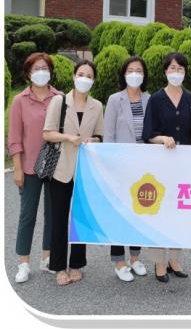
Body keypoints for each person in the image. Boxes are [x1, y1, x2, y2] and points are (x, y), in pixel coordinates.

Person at [42, 60, 104, 286]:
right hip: (61, 169)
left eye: (89, 76)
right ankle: (59, 267)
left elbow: (101, 136)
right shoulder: (59, 101)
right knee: (58, 219)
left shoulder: (97, 106)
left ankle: (77, 264)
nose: (84, 79)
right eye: (81, 74)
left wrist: (93, 139)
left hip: (85, 171)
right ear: (73, 76)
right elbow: (47, 133)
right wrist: (68, 137)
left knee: (80, 219)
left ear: (93, 81)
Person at [8, 53, 61, 283]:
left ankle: (46, 257)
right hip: (29, 167)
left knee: (53, 214)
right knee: (27, 215)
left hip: (55, 166)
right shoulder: (20, 100)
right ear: (28, 73)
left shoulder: (59, 98)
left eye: (45, 68)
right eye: (36, 68)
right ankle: (23, 262)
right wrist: (17, 168)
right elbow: (14, 138)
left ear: (50, 72)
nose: (41, 72)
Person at [142, 52, 191, 282]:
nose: (176, 72)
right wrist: (162, 138)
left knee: (180, 212)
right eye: (172, 68)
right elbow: (148, 134)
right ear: (165, 71)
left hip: (185, 165)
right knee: (159, 212)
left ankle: (174, 258)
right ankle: (159, 262)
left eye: (180, 69)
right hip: (161, 165)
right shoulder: (156, 99)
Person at [103, 56, 150, 282]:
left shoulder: (150, 99)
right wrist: (111, 165)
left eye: (139, 70)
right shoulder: (115, 100)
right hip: (120, 166)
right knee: (119, 213)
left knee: (139, 211)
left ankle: (135, 257)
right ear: (124, 74)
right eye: (130, 70)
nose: (135, 74)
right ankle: (119, 261)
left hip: (143, 167)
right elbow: (109, 134)